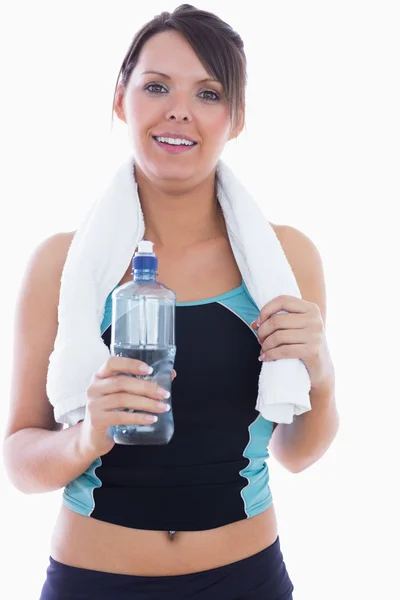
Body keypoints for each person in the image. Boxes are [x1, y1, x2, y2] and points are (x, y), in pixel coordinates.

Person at [3, 4, 339, 599]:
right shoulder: (61, 264)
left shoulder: (286, 262)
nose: (179, 109)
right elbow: (20, 462)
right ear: (120, 100)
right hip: (93, 581)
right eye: (156, 86)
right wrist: (87, 437)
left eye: (209, 93)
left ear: (235, 119)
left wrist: (324, 377)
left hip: (247, 578)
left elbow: (297, 455)